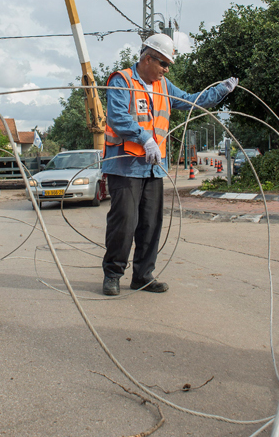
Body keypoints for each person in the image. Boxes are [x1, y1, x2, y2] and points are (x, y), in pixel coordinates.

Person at [101, 33, 237, 296]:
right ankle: (112, 275)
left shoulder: (164, 86)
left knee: (150, 224)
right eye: (163, 64)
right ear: (148, 58)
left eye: (167, 66)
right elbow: (117, 118)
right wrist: (145, 139)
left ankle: (142, 275)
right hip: (125, 167)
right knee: (124, 223)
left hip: (152, 168)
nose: (165, 70)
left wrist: (222, 90)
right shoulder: (122, 80)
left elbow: (192, 101)